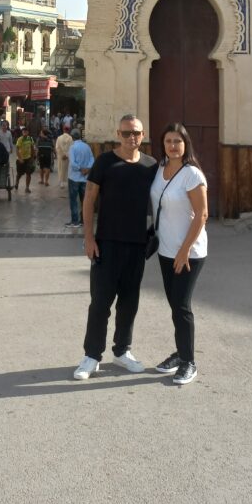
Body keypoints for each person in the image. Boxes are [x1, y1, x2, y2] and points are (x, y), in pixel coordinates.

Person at [73, 114, 157, 380]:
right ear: (118, 135)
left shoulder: (151, 166)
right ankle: (91, 356)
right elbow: (89, 199)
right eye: (126, 133)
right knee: (100, 302)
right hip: (106, 243)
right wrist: (88, 237)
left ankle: (122, 351)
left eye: (137, 133)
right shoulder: (105, 162)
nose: (132, 138)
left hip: (137, 245)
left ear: (143, 135)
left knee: (129, 302)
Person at [151, 123, 208, 386]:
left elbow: (202, 215)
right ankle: (180, 352)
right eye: (168, 141)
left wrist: (184, 250)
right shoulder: (159, 169)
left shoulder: (192, 174)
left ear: (186, 144)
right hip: (165, 249)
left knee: (182, 306)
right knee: (175, 306)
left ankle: (189, 362)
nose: (172, 146)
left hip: (189, 252)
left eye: (178, 141)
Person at [66, 128, 94, 228]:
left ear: (72, 137)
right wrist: (87, 169)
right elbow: (92, 159)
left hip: (74, 178)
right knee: (84, 200)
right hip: (85, 178)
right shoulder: (87, 146)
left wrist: (80, 168)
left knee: (73, 200)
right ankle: (83, 221)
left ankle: (75, 221)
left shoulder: (72, 147)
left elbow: (73, 163)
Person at [15, 126, 36, 194]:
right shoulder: (20, 139)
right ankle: (17, 182)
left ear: (28, 132)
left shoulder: (30, 138)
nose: (25, 133)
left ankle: (27, 187)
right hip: (20, 159)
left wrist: (33, 157)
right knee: (19, 174)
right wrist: (20, 158)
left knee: (28, 173)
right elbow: (17, 150)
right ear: (22, 133)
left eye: (26, 131)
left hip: (28, 159)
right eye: (23, 132)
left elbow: (32, 148)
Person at [55, 124, 73, 190]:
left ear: (63, 130)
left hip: (61, 156)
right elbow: (72, 148)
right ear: (68, 130)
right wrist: (67, 155)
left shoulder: (59, 138)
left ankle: (61, 183)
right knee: (68, 169)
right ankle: (69, 183)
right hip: (68, 157)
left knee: (61, 168)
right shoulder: (70, 138)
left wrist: (61, 155)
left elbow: (57, 148)